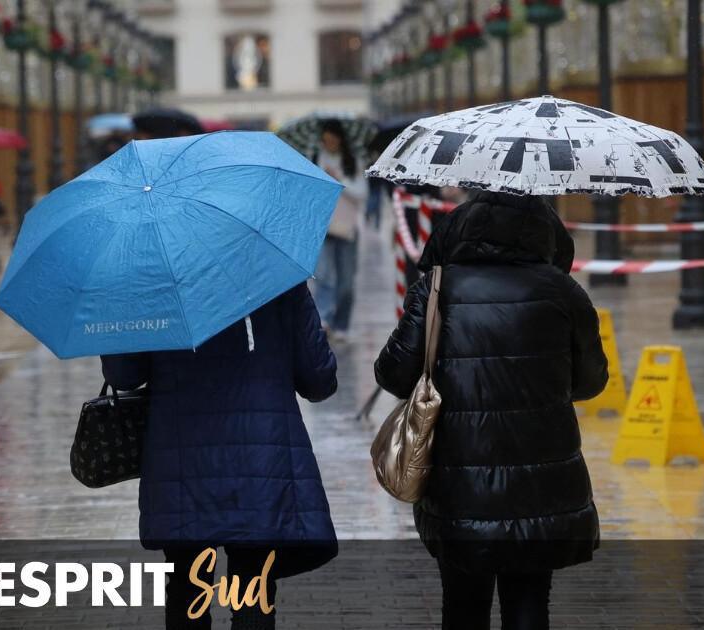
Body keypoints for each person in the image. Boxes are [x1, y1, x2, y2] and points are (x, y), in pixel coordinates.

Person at [374, 192, 607, 630]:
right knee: (529, 602)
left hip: (458, 482)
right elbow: (592, 382)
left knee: (463, 605)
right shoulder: (563, 291)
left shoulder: (438, 288)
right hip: (542, 485)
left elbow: (393, 374)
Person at [101, 283, 339, 630]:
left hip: (181, 465)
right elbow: (319, 379)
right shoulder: (277, 278)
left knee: (186, 588)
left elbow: (124, 375)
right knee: (253, 586)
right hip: (260, 463)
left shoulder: (151, 284)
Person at [312, 120, 367, 343]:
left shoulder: (353, 162)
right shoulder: (315, 159)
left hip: (347, 228)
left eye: (333, 140)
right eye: (325, 141)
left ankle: (341, 323)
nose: (329, 144)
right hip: (323, 227)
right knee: (323, 276)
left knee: (346, 283)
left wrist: (339, 180)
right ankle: (324, 319)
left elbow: (361, 194)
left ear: (341, 140)